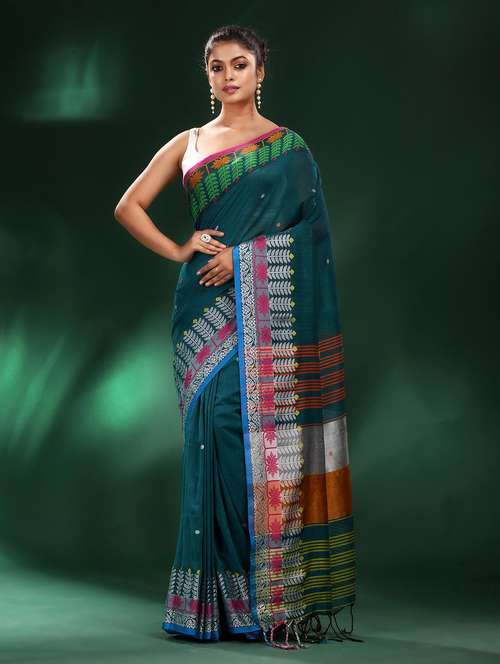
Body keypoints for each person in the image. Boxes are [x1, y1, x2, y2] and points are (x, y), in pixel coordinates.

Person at [114, 24, 361, 650]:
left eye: (240, 64)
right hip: (202, 312)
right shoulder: (190, 143)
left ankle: (262, 596)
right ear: (208, 75)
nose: (229, 76)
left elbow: (312, 234)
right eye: (217, 66)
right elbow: (128, 206)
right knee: (209, 434)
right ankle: (210, 602)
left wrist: (245, 257)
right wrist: (180, 249)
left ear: (260, 71)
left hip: (264, 313)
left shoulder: (289, 148)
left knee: (244, 436)